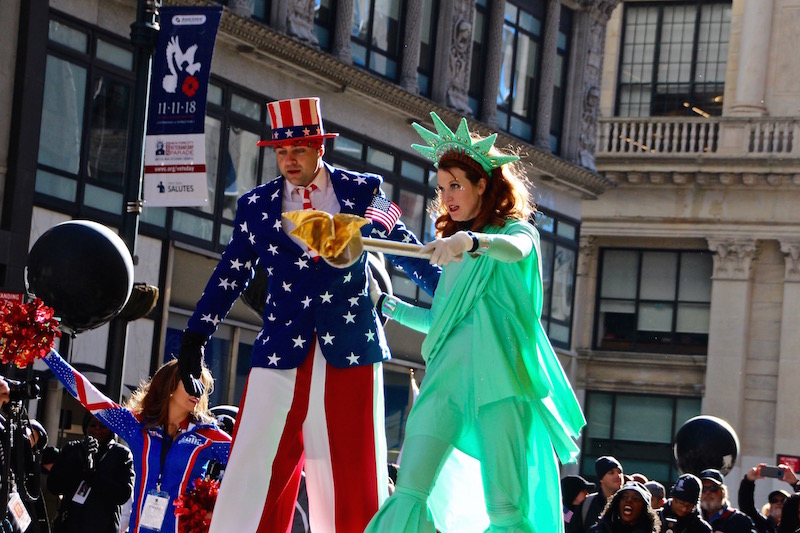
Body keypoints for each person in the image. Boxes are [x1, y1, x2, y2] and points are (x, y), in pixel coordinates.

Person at [178, 96, 440, 533]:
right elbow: (230, 275)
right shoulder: (256, 206)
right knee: (254, 476)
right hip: (281, 351)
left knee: (354, 485)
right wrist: (195, 338)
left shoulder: (361, 191)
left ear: (321, 147)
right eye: (281, 151)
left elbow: (404, 249)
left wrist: (452, 294)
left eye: (298, 149)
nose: (289, 160)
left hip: (351, 352)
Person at [364, 111, 585, 531]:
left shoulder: (515, 233)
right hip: (444, 384)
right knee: (409, 489)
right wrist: (387, 304)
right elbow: (443, 324)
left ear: (482, 185)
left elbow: (515, 249)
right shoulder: (455, 254)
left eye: (456, 185)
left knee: (506, 510)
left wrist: (474, 241)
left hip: (499, 388)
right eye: (441, 187)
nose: (446, 196)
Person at [43, 350, 231, 533]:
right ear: (170, 385)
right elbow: (87, 394)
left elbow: (250, 463)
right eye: (191, 383)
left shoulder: (207, 435)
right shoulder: (137, 426)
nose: (197, 390)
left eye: (202, 386)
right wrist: (46, 351)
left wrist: (216, 506)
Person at [47, 412, 134, 533]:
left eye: (103, 425)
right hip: (70, 525)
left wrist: (92, 475)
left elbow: (123, 494)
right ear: (86, 426)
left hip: (103, 526)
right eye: (93, 425)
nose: (97, 429)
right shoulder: (72, 449)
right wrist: (80, 460)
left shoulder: (121, 454)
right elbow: (53, 486)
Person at [739, 464, 797, 533]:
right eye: (774, 500)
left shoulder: (796, 527)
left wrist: (795, 483)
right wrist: (748, 481)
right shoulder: (761, 524)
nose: (779, 503)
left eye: (783, 500)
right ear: (769, 507)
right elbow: (747, 507)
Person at [590, 481, 661, 533]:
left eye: (636, 499)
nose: (629, 500)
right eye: (624, 497)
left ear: (644, 508)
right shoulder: (598, 530)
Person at [580, 456, 626, 532]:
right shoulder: (587, 504)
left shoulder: (630, 503)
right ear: (601, 479)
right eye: (611, 473)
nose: (618, 476)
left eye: (619, 472)